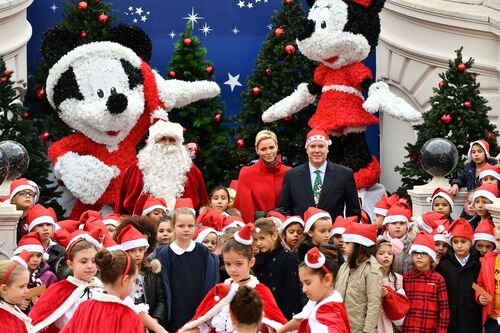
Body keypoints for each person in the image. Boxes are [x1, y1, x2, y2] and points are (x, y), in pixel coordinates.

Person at [179, 223, 287, 332]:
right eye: (228, 264)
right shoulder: (219, 291)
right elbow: (199, 324)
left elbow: (278, 326)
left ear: (251, 262)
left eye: (239, 264)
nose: (232, 269)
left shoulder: (261, 292)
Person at [115, 120, 208, 215]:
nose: (167, 143)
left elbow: (203, 206)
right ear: (153, 142)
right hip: (141, 227)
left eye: (172, 140)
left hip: (183, 227)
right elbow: (121, 204)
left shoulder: (191, 170)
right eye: (163, 139)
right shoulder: (137, 168)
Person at [155, 207, 219, 332]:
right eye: (181, 226)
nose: (186, 229)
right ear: (173, 227)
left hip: (198, 311)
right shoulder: (163, 253)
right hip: (174, 312)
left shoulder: (202, 251)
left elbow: (210, 282)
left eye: (190, 226)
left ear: (195, 227)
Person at [276, 128, 360, 219]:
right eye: (312, 146)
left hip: (332, 231)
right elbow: (283, 209)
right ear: (306, 149)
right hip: (302, 231)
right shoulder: (292, 176)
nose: (317, 150)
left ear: (327, 149)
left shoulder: (344, 174)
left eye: (321, 146)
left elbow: (353, 212)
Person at [29, 228, 102, 332]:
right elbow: (36, 321)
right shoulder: (58, 290)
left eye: (94, 261)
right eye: (83, 261)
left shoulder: (103, 289)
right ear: (70, 264)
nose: (90, 266)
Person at [60, 250, 143, 333]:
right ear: (125, 280)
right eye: (133, 281)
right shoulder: (129, 317)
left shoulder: (84, 307)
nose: (133, 286)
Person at [278, 247, 350, 333]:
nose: (304, 289)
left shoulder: (329, 315)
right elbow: (301, 319)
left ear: (327, 279)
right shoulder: (318, 299)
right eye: (302, 284)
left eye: (308, 283)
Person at [233, 130, 291, 223]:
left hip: (285, 227)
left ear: (277, 147)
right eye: (263, 149)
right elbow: (242, 207)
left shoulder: (289, 172)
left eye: (271, 147)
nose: (268, 152)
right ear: (257, 150)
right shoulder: (246, 173)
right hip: (258, 228)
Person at [116, 225, 167, 328]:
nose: (137, 254)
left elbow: (161, 299)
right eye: (132, 250)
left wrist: (155, 319)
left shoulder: (152, 272)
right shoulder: (119, 275)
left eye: (140, 250)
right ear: (125, 252)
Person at [436, 219, 482, 333]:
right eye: (455, 242)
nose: (459, 245)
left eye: (463, 241)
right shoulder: (444, 265)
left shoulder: (478, 264)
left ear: (471, 242)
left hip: (472, 316)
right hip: (451, 317)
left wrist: (482, 295)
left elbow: (478, 285)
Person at [335, 223, 381, 333]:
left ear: (359, 246)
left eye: (348, 243)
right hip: (339, 325)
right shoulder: (345, 266)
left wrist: (368, 330)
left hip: (358, 328)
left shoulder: (371, 270)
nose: (343, 245)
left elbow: (374, 303)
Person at [253, 218, 302, 319]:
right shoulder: (257, 260)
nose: (258, 243)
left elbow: (292, 293)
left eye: (262, 238)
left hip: (283, 313)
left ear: (274, 235)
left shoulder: (288, 259)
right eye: (255, 239)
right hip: (263, 314)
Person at [403, 232, 450, 333]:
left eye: (424, 253)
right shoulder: (407, 278)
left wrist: (441, 330)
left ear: (431, 257)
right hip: (409, 328)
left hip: (430, 329)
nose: (419, 257)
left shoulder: (438, 279)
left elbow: (444, 308)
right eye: (415, 253)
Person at [15, 232, 58, 313]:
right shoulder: (14, 276)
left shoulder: (49, 276)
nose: (35, 259)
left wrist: (41, 302)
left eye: (38, 256)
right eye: (31, 256)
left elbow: (55, 300)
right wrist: (17, 304)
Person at [26, 204, 65, 278]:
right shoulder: (25, 249)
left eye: (48, 224)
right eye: (40, 225)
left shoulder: (61, 251)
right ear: (31, 229)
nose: (45, 228)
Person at [0, 251, 36, 333]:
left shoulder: (11, 307)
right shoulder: (5, 325)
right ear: (4, 289)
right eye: (22, 286)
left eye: (27, 285)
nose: (27, 290)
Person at [376, 239, 406, 333]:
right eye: (381, 253)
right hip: (376, 318)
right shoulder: (371, 277)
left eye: (389, 253)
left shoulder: (398, 278)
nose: (386, 256)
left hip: (392, 320)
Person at [477, 227, 500, 332]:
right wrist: (480, 296)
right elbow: (479, 284)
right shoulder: (489, 260)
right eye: (499, 240)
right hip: (493, 318)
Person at [382, 202, 415, 274]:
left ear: (407, 226)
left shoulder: (412, 245)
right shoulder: (381, 244)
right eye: (394, 223)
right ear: (387, 226)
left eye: (402, 223)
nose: (398, 226)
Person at [7, 178, 39, 243]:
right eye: (22, 193)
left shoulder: (37, 219)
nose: (27, 196)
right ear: (13, 199)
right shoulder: (7, 217)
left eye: (31, 194)